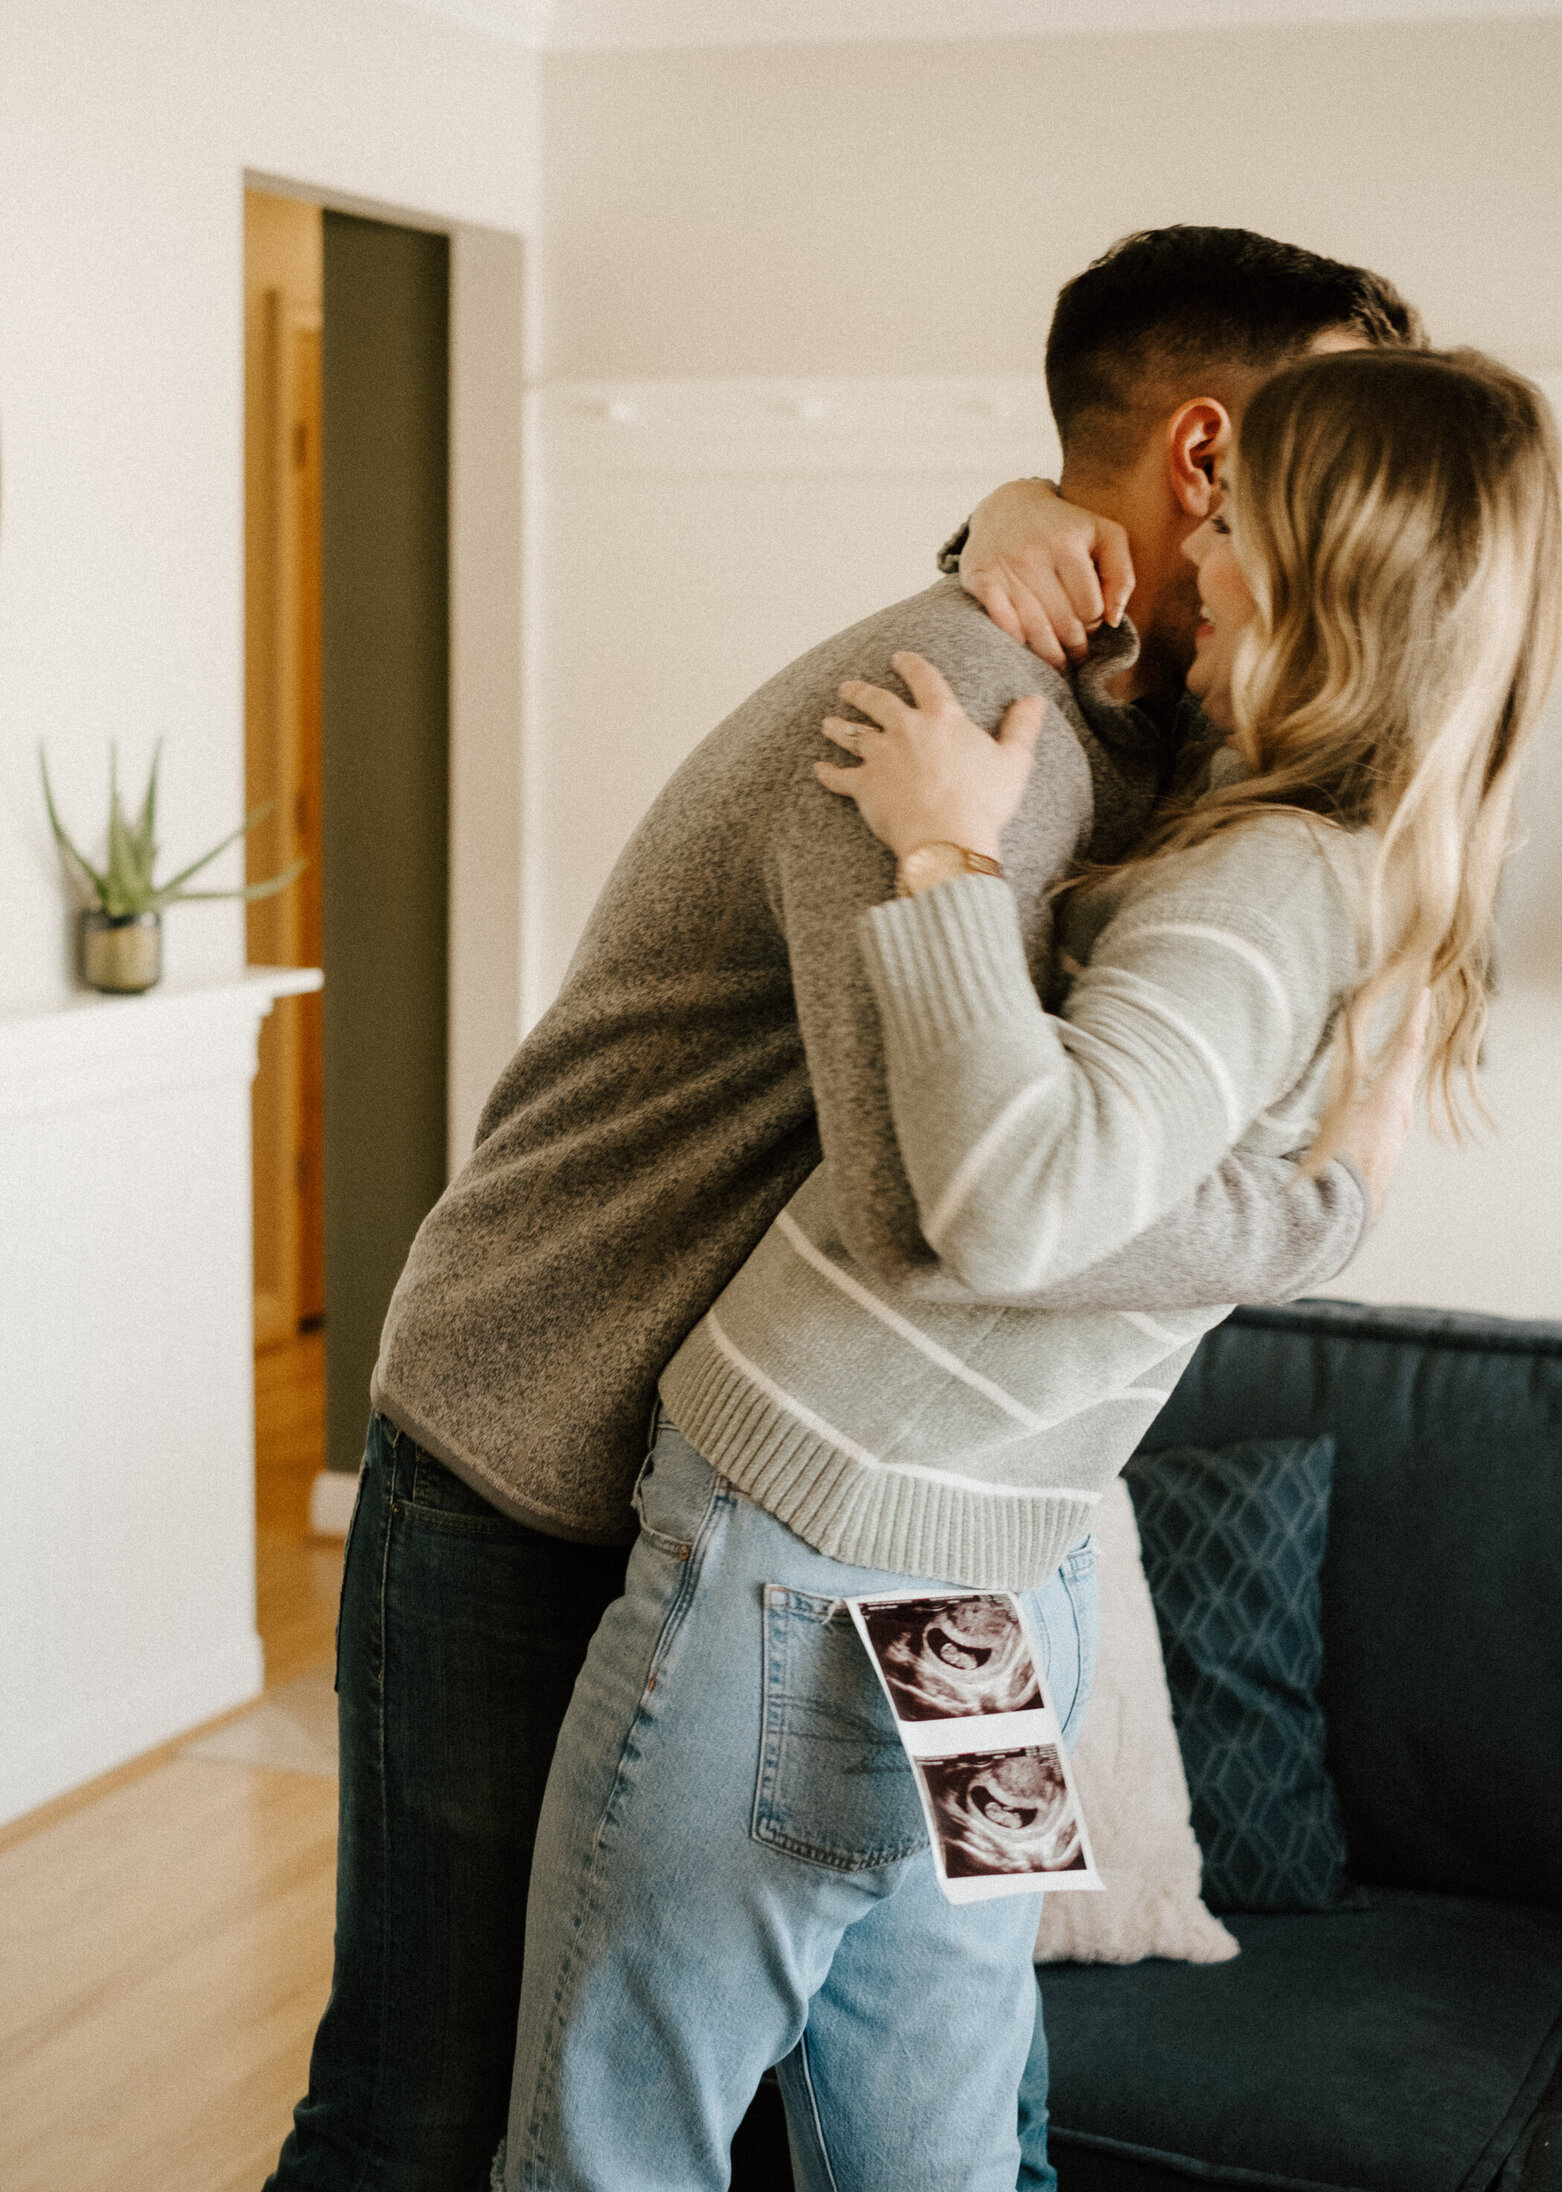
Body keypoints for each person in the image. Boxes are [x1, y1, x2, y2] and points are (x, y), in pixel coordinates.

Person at [265, 228, 1429, 2192]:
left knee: (966, 2111)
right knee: (429, 2101)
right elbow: (946, 1211)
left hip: (981, 1563)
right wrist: (1303, 1223)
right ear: (1216, 456)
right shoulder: (973, 716)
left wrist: (999, 518)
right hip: (556, 1464)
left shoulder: (1181, 724)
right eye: (1331, 432)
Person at [496, 344, 1562, 2192]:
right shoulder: (1350, 856)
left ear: (1319, 567)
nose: (1196, 559)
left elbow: (1016, 1199)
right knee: (938, 2131)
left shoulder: (1260, 891)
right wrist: (1001, 523)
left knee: (613, 2137)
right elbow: (1145, 1198)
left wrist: (939, 856)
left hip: (810, 1557)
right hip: (993, 1574)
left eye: (1234, 528)